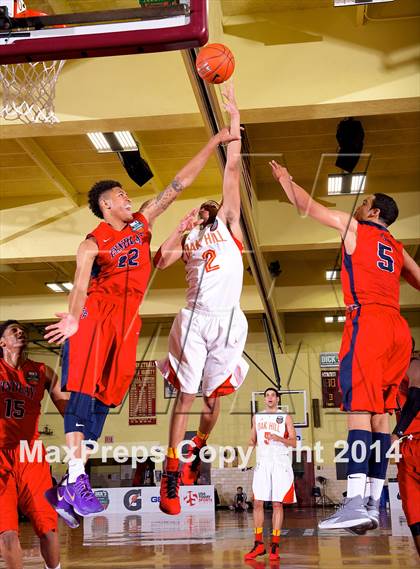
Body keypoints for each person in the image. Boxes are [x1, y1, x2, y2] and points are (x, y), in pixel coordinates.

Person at [43, 125, 239, 521]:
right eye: (119, 195)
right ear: (105, 206)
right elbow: (80, 285)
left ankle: (66, 489)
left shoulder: (142, 224)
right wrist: (72, 319)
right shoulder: (91, 242)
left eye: (126, 193)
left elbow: (177, 185)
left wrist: (214, 142)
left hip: (127, 325)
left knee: (103, 403)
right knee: (81, 396)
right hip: (95, 318)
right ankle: (78, 479)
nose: (127, 197)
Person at [270, 160, 420, 530]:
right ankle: (370, 499)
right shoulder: (398, 249)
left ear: (375, 211)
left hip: (367, 321)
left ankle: (354, 502)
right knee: (381, 416)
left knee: (357, 410)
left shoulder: (356, 228)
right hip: (399, 329)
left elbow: (308, 207)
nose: (358, 204)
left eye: (364, 200)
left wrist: (287, 181)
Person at [154, 84, 249, 515]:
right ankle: (170, 473)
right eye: (203, 208)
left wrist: (235, 126)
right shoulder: (191, 235)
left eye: (212, 206)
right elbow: (161, 263)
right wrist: (176, 228)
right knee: (187, 397)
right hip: (195, 317)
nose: (208, 208)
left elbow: (231, 172)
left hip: (229, 319)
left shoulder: (229, 224)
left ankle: (197, 447)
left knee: (213, 401)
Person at [0, 320, 69, 569]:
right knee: (6, 531)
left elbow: (67, 410)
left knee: (47, 526)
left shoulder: (42, 371)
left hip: (31, 453)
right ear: (2, 342)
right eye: (13, 330)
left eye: (22, 330)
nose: (20, 332)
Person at [244, 388, 296, 561]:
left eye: (273, 395)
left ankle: (275, 545)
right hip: (263, 462)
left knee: (276, 504)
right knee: (257, 502)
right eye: (267, 396)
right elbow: (252, 440)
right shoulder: (257, 417)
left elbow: (294, 442)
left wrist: (279, 438)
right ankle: (259, 544)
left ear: (278, 398)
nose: (270, 398)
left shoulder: (285, 417)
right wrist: (245, 459)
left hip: (280, 463)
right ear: (265, 399)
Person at [394, 342, 420, 555]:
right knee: (412, 512)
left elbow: (415, 399)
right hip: (406, 449)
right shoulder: (391, 375)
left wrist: (397, 431)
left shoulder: (415, 364)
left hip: (415, 439)